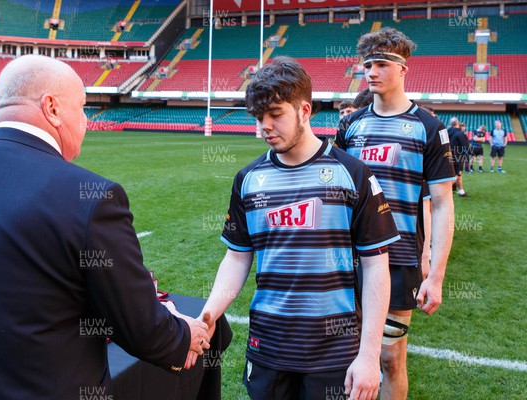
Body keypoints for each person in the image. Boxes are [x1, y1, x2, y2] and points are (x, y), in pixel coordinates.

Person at [0, 55, 210, 399]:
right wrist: (183, 336)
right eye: (82, 107)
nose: (87, 121)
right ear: (53, 108)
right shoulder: (90, 197)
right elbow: (138, 326)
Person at [200, 56, 400, 400]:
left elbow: (376, 266)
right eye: (259, 118)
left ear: (304, 111)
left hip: (334, 349)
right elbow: (236, 258)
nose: (264, 126)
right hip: (269, 344)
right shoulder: (248, 180)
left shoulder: (353, 174)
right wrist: (208, 314)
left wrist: (369, 355)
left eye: (275, 115)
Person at [336, 27, 455, 400]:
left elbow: (442, 204)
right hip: (347, 257)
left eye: (382, 64)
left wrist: (435, 275)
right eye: (367, 64)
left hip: (400, 260)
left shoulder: (429, 128)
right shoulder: (351, 125)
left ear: (404, 70)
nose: (371, 71)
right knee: (344, 352)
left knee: (389, 357)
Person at [448, 117, 471, 197]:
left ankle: (461, 191)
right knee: (457, 175)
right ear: (458, 124)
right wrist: (471, 153)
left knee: (456, 174)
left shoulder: (446, 132)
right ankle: (443, 191)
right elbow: (466, 146)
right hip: (458, 157)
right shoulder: (460, 133)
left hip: (446, 155)